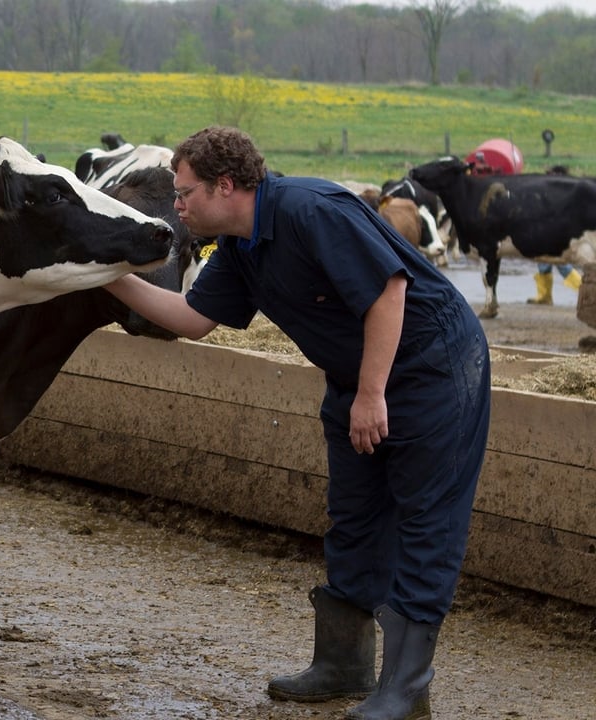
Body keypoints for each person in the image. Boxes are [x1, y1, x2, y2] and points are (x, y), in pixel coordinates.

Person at [106, 126, 491, 720]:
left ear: (225, 185)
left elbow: (388, 291)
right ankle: (344, 664)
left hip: (432, 366)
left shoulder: (311, 209)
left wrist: (370, 394)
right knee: (355, 514)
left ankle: (407, 690)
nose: (176, 205)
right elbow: (189, 318)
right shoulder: (240, 245)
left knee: (425, 519)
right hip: (360, 373)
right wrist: (106, 275)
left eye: (184, 194)